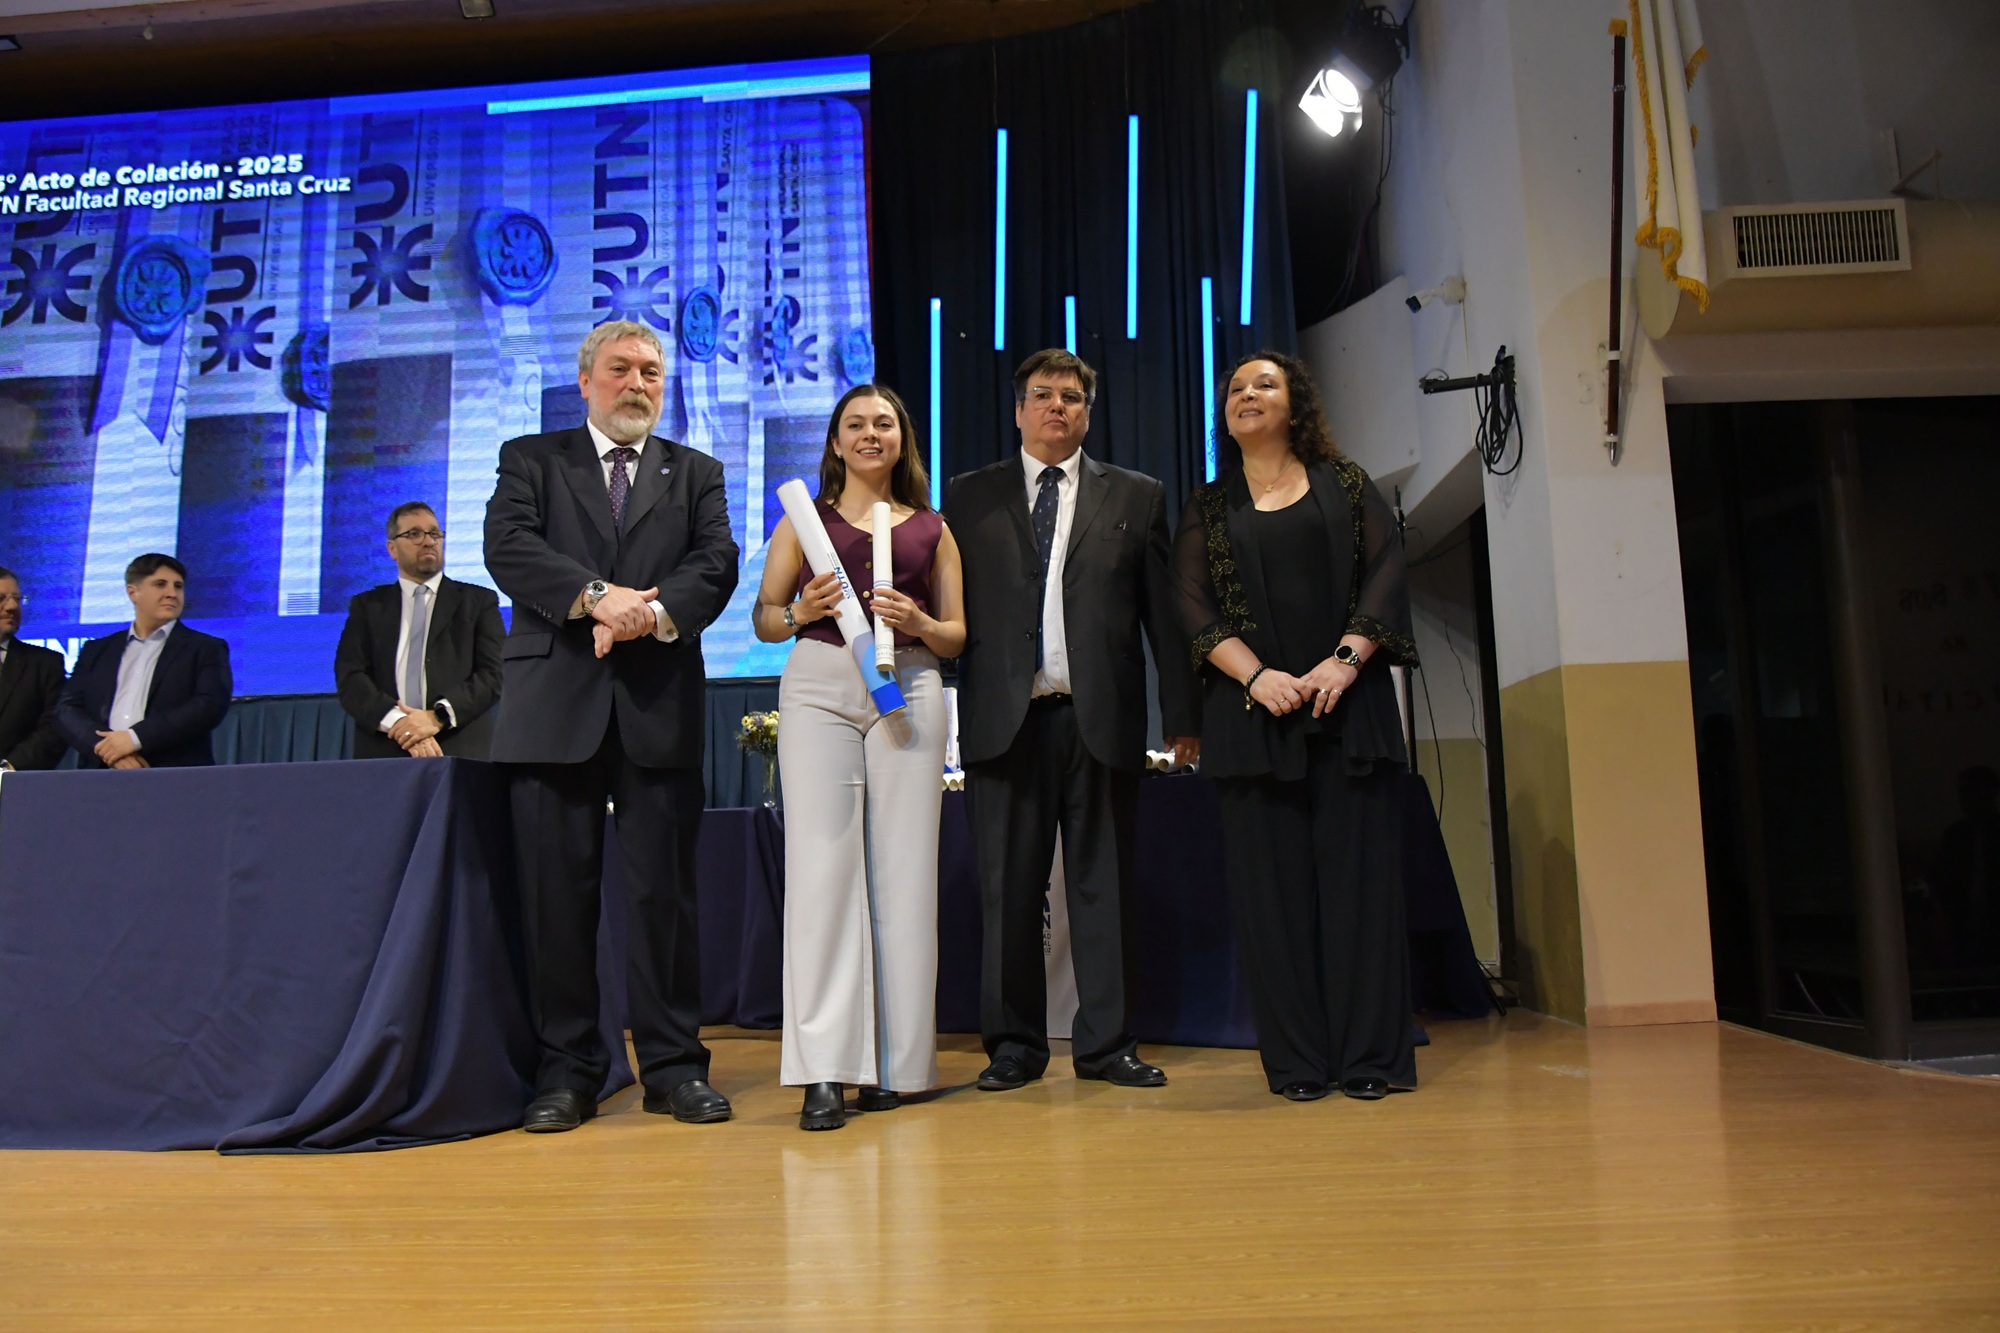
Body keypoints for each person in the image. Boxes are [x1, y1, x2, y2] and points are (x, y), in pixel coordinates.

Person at [483, 319, 740, 1133]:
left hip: (655, 709)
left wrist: (647, 613)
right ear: (587, 378)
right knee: (556, 901)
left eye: (652, 372)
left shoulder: (696, 472)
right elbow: (509, 549)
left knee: (664, 899)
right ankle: (568, 1070)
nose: (638, 383)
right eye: (622, 369)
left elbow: (715, 565)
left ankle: (672, 1066)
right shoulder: (532, 459)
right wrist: (600, 596)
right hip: (552, 713)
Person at [944, 348, 1199, 1094]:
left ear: (1089, 412)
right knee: (1008, 890)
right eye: (1043, 395)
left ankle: (1108, 1043)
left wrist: (1181, 715)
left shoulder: (1138, 495)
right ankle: (1015, 1046)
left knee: (1103, 889)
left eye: (1073, 398)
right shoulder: (968, 495)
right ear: (1018, 408)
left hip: (1103, 719)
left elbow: (1163, 617)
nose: (1058, 407)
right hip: (1003, 719)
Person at [1171, 350, 1419, 1103]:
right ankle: (1300, 1063)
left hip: (1349, 714)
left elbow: (1388, 567)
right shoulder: (1208, 507)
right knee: (1271, 903)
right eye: (1237, 387)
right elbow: (1190, 600)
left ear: (1296, 402)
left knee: (1362, 892)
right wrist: (1256, 674)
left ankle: (1372, 1056)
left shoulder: (1346, 484)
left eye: (1265, 384)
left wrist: (1343, 662)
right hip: (1254, 724)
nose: (1248, 394)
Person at [752, 384, 965, 1131]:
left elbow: (957, 635)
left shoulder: (933, 528)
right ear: (836, 441)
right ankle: (826, 1070)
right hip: (819, 683)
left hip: (909, 683)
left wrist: (922, 622)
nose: (871, 433)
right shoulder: (804, 522)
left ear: (903, 438)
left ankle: (898, 1067)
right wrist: (801, 611)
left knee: (906, 872)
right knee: (822, 868)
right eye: (856, 424)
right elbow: (766, 618)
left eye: (885, 423)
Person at [334, 502, 504, 760]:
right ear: (392, 548)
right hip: (384, 752)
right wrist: (401, 725)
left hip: (460, 750)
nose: (428, 541)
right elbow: (350, 677)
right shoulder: (368, 606)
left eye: (434, 533)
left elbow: (494, 673)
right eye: (414, 534)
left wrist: (437, 718)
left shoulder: (478, 601)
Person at [56, 554, 232, 770]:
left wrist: (134, 738)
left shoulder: (205, 648)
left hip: (174, 775)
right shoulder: (97, 650)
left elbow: (209, 705)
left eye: (178, 586)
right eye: (160, 585)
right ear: (133, 592)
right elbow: (67, 709)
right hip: (101, 774)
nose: (172, 593)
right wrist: (109, 750)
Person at [0, 567, 67, 773]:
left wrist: (8, 769)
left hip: (16, 787)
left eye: (17, 599)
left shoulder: (45, 664)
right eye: (1, 598)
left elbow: (54, 728)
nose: (12, 606)